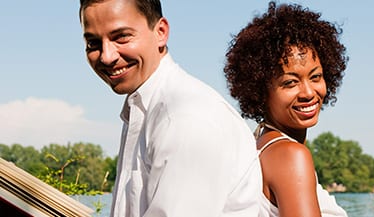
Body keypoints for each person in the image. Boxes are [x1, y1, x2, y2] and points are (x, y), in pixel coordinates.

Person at [79, 0, 263, 216]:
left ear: (161, 32)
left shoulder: (186, 118)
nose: (106, 56)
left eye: (121, 37)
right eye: (93, 43)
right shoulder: (146, 107)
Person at [224, 2, 348, 217]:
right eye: (290, 82)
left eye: (316, 77)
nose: (308, 92)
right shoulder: (291, 155)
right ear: (260, 91)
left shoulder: (264, 144)